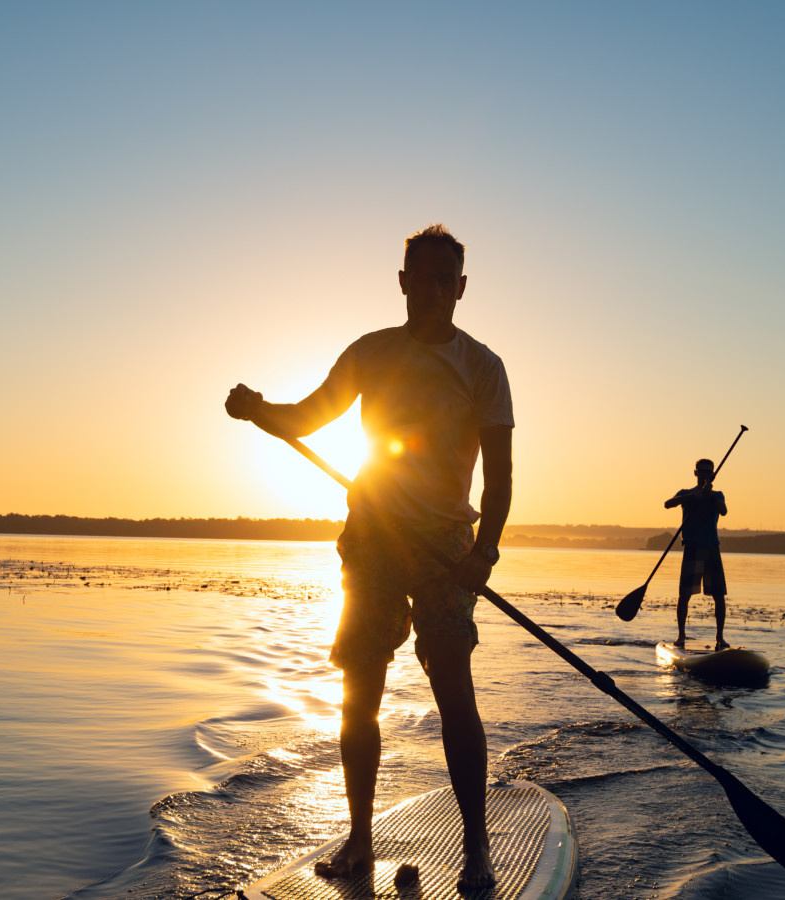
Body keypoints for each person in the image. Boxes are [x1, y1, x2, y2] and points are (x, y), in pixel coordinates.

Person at [224, 224, 512, 892]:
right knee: (360, 690)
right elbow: (304, 418)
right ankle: (359, 839)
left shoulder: (483, 367)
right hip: (374, 535)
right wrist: (256, 409)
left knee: (453, 692)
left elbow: (498, 477)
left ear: (461, 289)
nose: (435, 290)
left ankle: (477, 850)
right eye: (423, 277)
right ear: (403, 281)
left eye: (448, 280)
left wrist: (485, 552)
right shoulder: (370, 353)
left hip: (445, 546)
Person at [665, 458, 730, 650]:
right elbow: (668, 504)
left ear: (712, 475)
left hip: (711, 549)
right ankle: (681, 636)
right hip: (692, 548)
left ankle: (720, 638)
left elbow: (724, 511)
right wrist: (693, 496)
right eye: (701, 471)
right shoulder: (686, 493)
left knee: (719, 595)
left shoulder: (717, 495)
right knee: (684, 594)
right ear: (695, 473)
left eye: (708, 472)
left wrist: (708, 496)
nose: (704, 475)